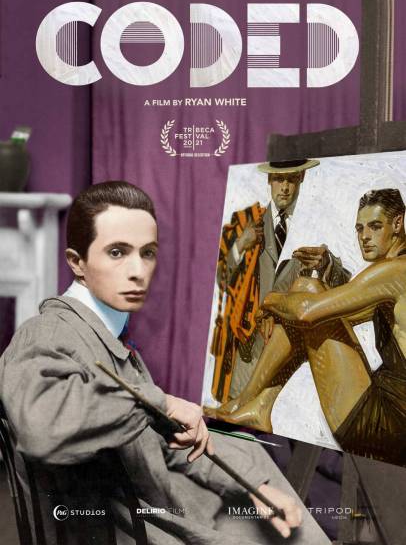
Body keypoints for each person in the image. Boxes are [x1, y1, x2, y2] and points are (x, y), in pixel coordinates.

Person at [0, 181, 331, 544]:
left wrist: (254, 484)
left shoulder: (104, 336)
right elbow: (40, 428)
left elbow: (160, 446)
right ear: (77, 262)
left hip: (158, 505)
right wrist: (162, 402)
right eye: (117, 252)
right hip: (124, 529)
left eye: (148, 253)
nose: (138, 270)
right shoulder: (46, 333)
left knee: (253, 458)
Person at [215, 189, 406, 466]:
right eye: (359, 229)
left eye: (375, 226)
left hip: (387, 428)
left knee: (306, 292)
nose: (364, 236)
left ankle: (247, 402)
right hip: (393, 423)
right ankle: (255, 404)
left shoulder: (395, 272)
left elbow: (306, 312)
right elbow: (342, 315)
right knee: (308, 301)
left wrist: (269, 301)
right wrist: (325, 269)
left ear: (398, 223)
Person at [210, 158, 350, 406]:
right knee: (233, 411)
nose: (285, 187)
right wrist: (240, 245)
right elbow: (219, 279)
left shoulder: (318, 225)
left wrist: (327, 263)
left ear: (302, 179)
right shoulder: (247, 221)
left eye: (292, 179)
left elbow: (346, 286)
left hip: (289, 355)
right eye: (278, 179)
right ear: (269, 180)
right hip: (247, 348)